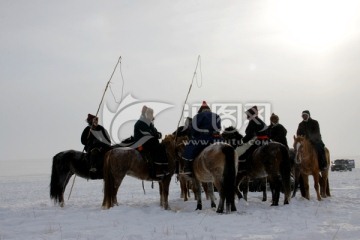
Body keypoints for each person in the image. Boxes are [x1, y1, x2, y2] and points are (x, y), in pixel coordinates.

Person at [181, 101, 222, 175]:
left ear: (200, 110)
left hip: (203, 137)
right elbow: (219, 128)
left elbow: (194, 129)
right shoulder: (216, 115)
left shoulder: (199, 116)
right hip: (216, 138)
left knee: (189, 147)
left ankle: (188, 167)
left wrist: (193, 135)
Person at [133, 106, 168, 177]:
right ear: (146, 114)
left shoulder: (149, 123)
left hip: (148, 142)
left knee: (160, 146)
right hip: (141, 144)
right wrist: (156, 135)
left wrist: (158, 134)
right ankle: (159, 169)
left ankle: (160, 168)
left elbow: (155, 132)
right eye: (150, 114)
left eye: (152, 114)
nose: (152, 115)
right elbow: (149, 135)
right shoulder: (140, 123)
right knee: (161, 147)